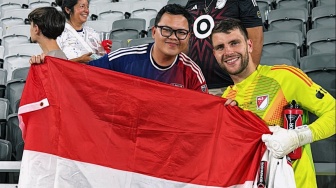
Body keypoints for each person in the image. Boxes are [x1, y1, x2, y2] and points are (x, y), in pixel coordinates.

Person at [210, 18, 335, 187]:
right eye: (220, 47)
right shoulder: (226, 100)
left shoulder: (284, 76)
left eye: (234, 43)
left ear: (249, 45)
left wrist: (297, 137)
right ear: (215, 55)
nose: (228, 52)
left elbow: (333, 112)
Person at [30, 4, 208, 93]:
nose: (173, 37)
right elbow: (82, 75)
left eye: (181, 32)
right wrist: (48, 63)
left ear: (188, 37)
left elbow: (205, 113)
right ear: (154, 32)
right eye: (166, 30)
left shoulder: (192, 73)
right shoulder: (124, 58)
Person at [185, 0, 264, 94]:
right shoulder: (191, 3)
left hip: (231, 87)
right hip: (197, 87)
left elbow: (255, 41)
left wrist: (246, 83)